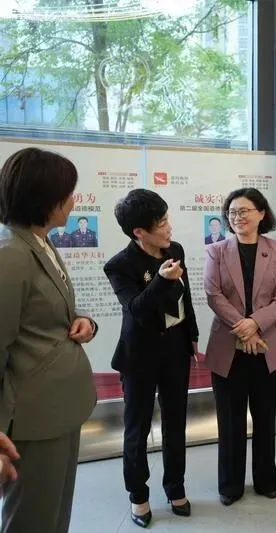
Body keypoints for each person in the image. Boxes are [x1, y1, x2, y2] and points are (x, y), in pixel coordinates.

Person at [0, 147, 98, 533]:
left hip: (59, 408)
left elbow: (46, 308)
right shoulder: (11, 254)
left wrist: (83, 320)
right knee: (33, 518)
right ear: (45, 198)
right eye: (68, 193)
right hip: (32, 416)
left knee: (55, 513)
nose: (74, 200)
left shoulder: (40, 242)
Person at [103, 189, 199, 528]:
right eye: (161, 224)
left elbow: (184, 298)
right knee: (137, 428)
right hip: (140, 356)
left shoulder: (176, 250)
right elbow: (136, 310)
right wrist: (160, 280)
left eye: (167, 219)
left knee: (176, 423)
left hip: (175, 351)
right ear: (139, 232)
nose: (169, 228)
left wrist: (192, 336)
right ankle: (138, 495)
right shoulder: (119, 265)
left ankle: (175, 487)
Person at [204, 188, 276, 506]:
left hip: (267, 346)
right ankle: (230, 484)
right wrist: (243, 327)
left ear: (261, 214)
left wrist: (255, 324)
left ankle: (266, 479)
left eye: (243, 211)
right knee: (230, 421)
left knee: (265, 417)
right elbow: (213, 295)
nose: (237, 217)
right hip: (228, 348)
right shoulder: (216, 251)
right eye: (232, 212)